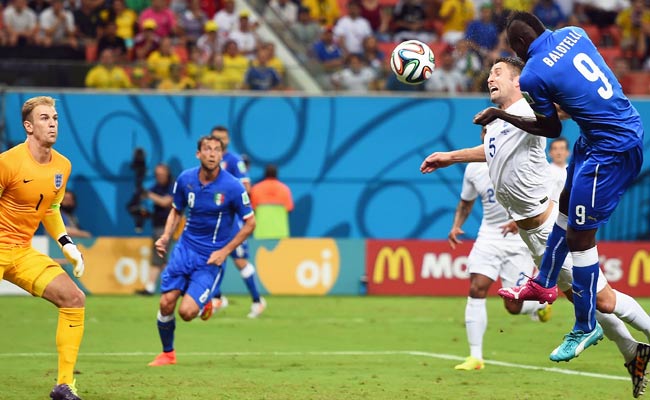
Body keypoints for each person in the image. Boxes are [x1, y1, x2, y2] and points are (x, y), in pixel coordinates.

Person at [421, 58, 650, 397]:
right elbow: (491, 151)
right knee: (582, 299)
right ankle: (632, 352)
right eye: (489, 73)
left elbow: (557, 114)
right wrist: (448, 157)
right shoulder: (498, 124)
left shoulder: (530, 109)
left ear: (517, 81)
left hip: (550, 231)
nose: (490, 78)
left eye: (498, 72)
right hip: (534, 237)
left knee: (603, 299)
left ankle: (635, 347)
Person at [475, 11, 645, 364]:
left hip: (611, 148)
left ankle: (584, 327)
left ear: (520, 46)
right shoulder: (575, 33)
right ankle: (545, 280)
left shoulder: (534, 74)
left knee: (580, 240)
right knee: (566, 208)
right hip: (600, 133)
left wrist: (501, 115)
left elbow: (551, 129)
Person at [0, 96, 86, 399]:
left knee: (74, 298)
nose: (52, 124)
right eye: (45, 118)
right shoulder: (8, 162)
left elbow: (51, 208)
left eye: (55, 118)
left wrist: (67, 244)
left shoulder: (63, 165)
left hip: (22, 252)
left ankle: (65, 385)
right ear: (28, 126)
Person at [148, 135, 255, 366]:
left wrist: (225, 251)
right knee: (166, 302)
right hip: (184, 250)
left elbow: (250, 223)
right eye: (207, 149)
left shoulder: (233, 186)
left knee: (186, 313)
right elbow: (176, 210)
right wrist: (166, 237)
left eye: (217, 149)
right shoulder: (186, 179)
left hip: (211, 258)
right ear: (199, 154)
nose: (212, 153)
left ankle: (204, 304)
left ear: (221, 155)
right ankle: (168, 353)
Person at [450, 136, 551, 371]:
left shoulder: (518, 159)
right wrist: (456, 225)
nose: (489, 134)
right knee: (477, 287)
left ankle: (538, 306)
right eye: (486, 131)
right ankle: (475, 357)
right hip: (489, 236)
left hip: (518, 240)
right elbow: (466, 202)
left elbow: (542, 195)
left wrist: (521, 219)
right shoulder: (474, 168)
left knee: (513, 306)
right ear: (482, 135)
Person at [207, 125, 266, 319]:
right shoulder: (207, 161)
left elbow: (247, 187)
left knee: (240, 261)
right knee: (211, 258)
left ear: (228, 140)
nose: (219, 141)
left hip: (232, 220)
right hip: (213, 219)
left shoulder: (233, 160)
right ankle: (217, 298)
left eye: (222, 138)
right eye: (216, 137)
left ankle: (258, 301)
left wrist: (227, 195)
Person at [136, 163, 173, 296]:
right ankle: (153, 287)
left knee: (159, 258)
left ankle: (152, 287)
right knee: (160, 260)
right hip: (157, 225)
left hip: (168, 227)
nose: (159, 177)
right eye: (157, 174)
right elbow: (145, 199)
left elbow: (165, 202)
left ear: (167, 173)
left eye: (162, 174)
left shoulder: (172, 186)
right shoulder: (156, 187)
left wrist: (148, 195)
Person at [250, 164, 294, 239]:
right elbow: (290, 208)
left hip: (261, 232)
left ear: (265, 174)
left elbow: (252, 209)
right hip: (280, 232)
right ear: (277, 174)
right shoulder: (285, 189)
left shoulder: (256, 188)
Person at [547, 136, 570, 202]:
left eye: (562, 149)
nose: (559, 153)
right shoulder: (545, 172)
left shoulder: (573, 172)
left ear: (568, 152)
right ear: (550, 153)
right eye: (555, 149)